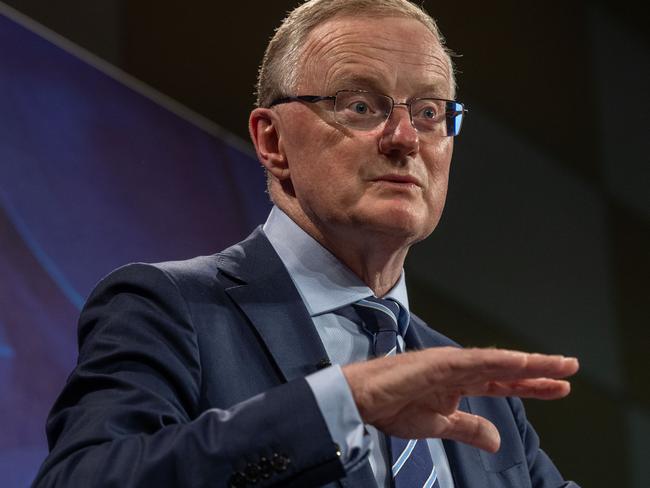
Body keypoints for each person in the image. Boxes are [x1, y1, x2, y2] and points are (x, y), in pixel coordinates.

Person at [33, 0, 580, 487]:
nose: (405, 138)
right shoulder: (170, 307)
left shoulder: (478, 388)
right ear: (272, 140)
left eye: (430, 113)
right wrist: (341, 405)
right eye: (360, 106)